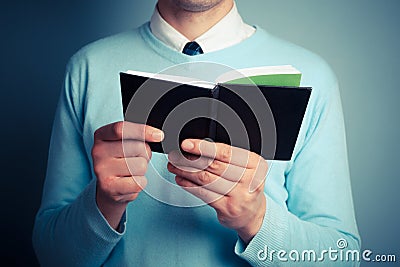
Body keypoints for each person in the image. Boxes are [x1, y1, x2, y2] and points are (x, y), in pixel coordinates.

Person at [33, 0, 361, 266]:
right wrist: (103, 202)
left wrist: (256, 219)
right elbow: (52, 256)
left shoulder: (312, 76)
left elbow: (341, 256)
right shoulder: (87, 67)